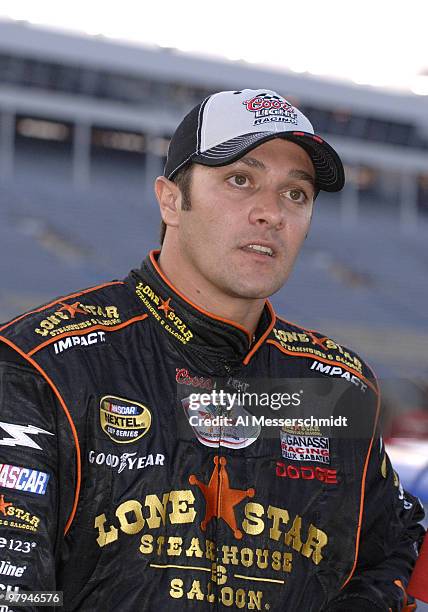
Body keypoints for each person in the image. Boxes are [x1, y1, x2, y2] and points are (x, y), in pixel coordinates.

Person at [0, 89, 424, 612]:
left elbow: (390, 552)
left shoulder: (335, 385)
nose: (271, 213)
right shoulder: (41, 364)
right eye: (240, 180)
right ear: (171, 200)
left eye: (297, 194)